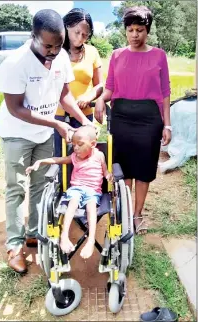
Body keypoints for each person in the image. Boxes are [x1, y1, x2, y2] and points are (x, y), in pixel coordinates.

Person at [0, 9, 93, 274]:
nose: (53, 51)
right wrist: (56, 123)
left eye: (58, 45)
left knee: (41, 185)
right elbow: (15, 108)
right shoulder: (16, 63)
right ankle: (15, 247)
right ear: (33, 36)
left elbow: (65, 95)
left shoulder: (61, 57)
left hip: (42, 135)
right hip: (17, 133)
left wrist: (84, 120)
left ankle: (35, 233)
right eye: (47, 45)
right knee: (16, 188)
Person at [94, 6, 171, 235]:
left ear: (147, 30)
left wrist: (167, 124)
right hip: (122, 118)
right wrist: (99, 100)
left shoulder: (159, 55)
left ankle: (137, 214)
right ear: (125, 31)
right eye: (130, 30)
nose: (135, 34)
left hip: (149, 119)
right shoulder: (117, 55)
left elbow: (165, 92)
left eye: (140, 29)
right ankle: (126, 213)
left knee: (144, 169)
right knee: (125, 169)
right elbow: (109, 89)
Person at [26, 125, 112, 259]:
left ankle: (90, 241)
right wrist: (41, 161)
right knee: (73, 202)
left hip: (93, 191)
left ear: (93, 144)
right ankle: (64, 236)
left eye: (80, 144)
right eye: (73, 144)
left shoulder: (99, 156)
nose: (75, 148)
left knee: (91, 208)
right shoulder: (74, 157)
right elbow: (58, 160)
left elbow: (105, 170)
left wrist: (108, 175)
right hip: (76, 189)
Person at [54, 8, 103, 158]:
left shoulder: (92, 52)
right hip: (58, 114)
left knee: (84, 157)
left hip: (84, 114)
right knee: (60, 156)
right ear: (66, 26)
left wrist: (89, 97)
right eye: (77, 32)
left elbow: (100, 85)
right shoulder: (55, 52)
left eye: (85, 35)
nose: (80, 38)